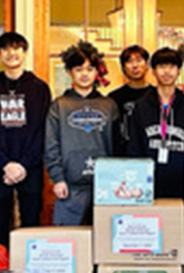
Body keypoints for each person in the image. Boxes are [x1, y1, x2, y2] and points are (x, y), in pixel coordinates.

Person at [0, 32, 51, 247]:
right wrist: (5, 164)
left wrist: (23, 164)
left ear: (24, 52)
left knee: (31, 223)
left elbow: (43, 131)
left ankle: (30, 272)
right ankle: (1, 271)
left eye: (17, 48)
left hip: (31, 166)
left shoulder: (39, 88)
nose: (12, 53)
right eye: (6, 49)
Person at [45, 40, 116, 225]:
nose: (84, 74)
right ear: (69, 72)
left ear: (97, 72)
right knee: (69, 243)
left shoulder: (109, 105)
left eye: (90, 69)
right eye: (78, 69)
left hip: (106, 186)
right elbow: (51, 145)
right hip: (69, 186)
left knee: (104, 243)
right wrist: (57, 178)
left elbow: (118, 145)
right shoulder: (59, 106)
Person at [127, 47, 184, 198]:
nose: (167, 71)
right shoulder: (141, 106)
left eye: (172, 66)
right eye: (162, 66)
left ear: (178, 71)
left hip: (183, 182)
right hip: (148, 182)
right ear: (153, 71)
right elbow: (134, 146)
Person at [108, 45, 154, 156]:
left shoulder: (156, 95)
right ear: (123, 68)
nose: (135, 66)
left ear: (147, 65)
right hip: (122, 156)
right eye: (129, 61)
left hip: (150, 154)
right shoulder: (114, 98)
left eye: (139, 60)